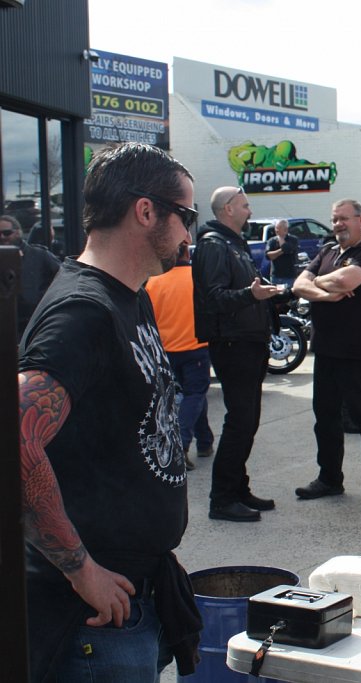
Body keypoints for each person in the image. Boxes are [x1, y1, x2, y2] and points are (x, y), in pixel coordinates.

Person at [19, 142, 201, 681]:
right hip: (90, 620)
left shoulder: (132, 294)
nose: (190, 233)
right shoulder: (84, 310)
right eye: (185, 216)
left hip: (134, 593)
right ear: (146, 211)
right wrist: (82, 570)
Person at [293, 199, 361, 512]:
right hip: (325, 350)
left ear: (360, 220)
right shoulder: (327, 251)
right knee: (325, 419)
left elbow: (345, 281)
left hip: (357, 351)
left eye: (343, 219)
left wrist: (318, 282)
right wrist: (327, 294)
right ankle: (329, 479)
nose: (337, 224)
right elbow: (298, 285)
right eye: (334, 219)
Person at [192, 185, 283, 522]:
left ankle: (238, 488)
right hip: (232, 343)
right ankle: (222, 499)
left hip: (249, 341)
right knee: (240, 421)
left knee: (247, 421)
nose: (250, 211)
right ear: (228, 208)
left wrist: (267, 298)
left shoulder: (234, 243)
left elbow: (245, 293)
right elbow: (214, 298)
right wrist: (250, 294)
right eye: (245, 206)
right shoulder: (213, 245)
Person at [146, 244, 216, 472]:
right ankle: (182, 444)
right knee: (194, 394)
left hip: (166, 351)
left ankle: (205, 441)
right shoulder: (198, 279)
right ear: (187, 253)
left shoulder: (154, 281)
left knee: (193, 395)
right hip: (195, 347)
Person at [0, 213, 60, 338]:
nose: (2, 237)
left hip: (36, 326)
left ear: (18, 233)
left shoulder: (39, 255)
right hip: (7, 326)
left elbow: (64, 277)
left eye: (6, 233)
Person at [265, 218, 299, 286]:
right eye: (276, 227)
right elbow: (268, 256)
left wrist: (281, 239)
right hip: (276, 276)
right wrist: (282, 251)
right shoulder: (271, 241)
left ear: (286, 229)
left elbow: (288, 249)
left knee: (289, 295)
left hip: (289, 276)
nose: (276, 230)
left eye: (279, 228)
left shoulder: (293, 239)